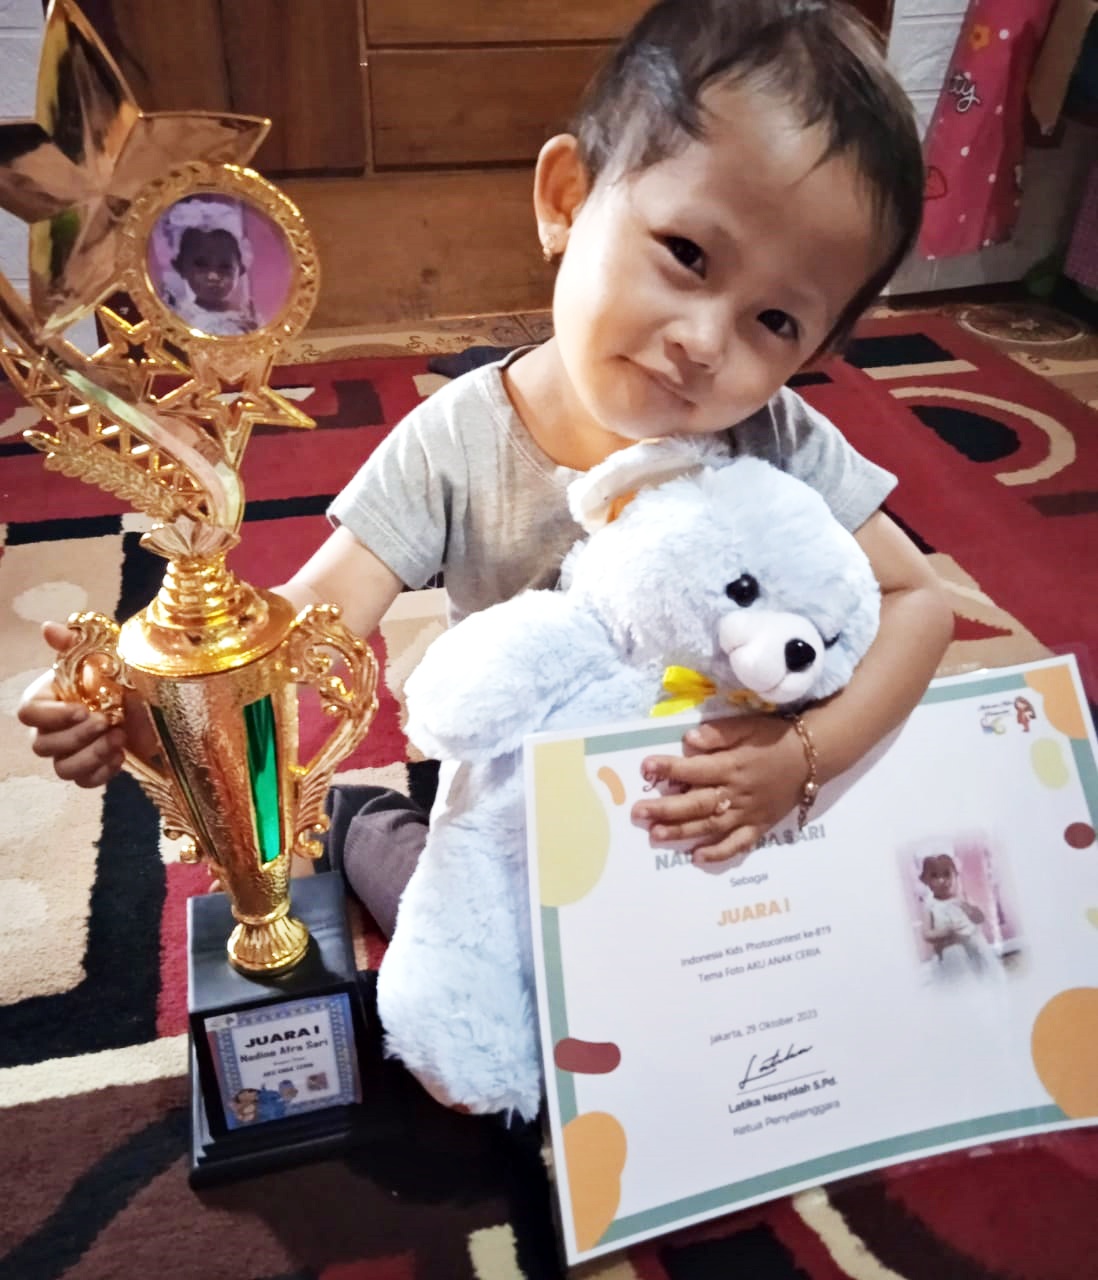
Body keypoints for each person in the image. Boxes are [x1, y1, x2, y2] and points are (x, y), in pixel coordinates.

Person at [19, 0, 953, 941]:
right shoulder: (456, 439)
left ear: (815, 350)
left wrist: (802, 757)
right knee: (463, 978)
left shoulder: (776, 438)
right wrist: (138, 705)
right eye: (687, 254)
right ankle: (369, 825)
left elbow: (922, 603)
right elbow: (306, 629)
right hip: (518, 821)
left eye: (777, 321)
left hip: (712, 813)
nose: (707, 341)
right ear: (567, 200)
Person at [918, 853, 997, 980]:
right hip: (951, 951)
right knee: (962, 979)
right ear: (927, 881)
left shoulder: (963, 898)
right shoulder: (930, 906)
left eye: (947, 874)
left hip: (976, 947)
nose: (942, 880)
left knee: (984, 975)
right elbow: (926, 934)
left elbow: (980, 918)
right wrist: (945, 932)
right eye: (935, 876)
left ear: (955, 875)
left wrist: (969, 909)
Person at [168, 225, 257, 336]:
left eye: (225, 267)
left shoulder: (246, 316)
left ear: (240, 271)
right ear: (181, 268)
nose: (213, 276)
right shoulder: (181, 317)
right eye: (201, 265)